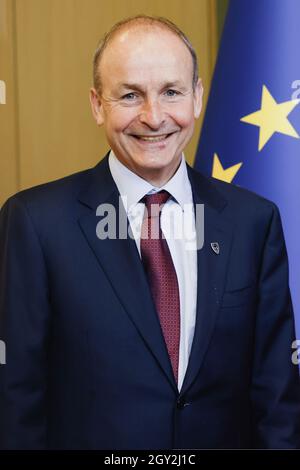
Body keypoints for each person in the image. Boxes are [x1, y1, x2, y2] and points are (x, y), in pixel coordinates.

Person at [0, 15, 299, 450]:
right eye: (129, 95)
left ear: (197, 97)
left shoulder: (254, 222)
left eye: (171, 92)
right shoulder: (34, 222)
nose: (153, 117)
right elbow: (16, 400)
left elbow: (277, 400)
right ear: (98, 104)